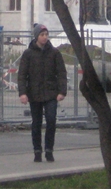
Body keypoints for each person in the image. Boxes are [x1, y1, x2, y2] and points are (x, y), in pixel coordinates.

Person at [18, 23, 67, 162]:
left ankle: (49, 149)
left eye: (46, 35)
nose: (45, 37)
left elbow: (61, 73)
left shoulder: (54, 53)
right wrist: (23, 93)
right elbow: (22, 75)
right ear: (36, 36)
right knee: (36, 122)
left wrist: (62, 91)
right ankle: (37, 150)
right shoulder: (28, 53)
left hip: (51, 93)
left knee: (51, 120)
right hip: (34, 93)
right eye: (42, 35)